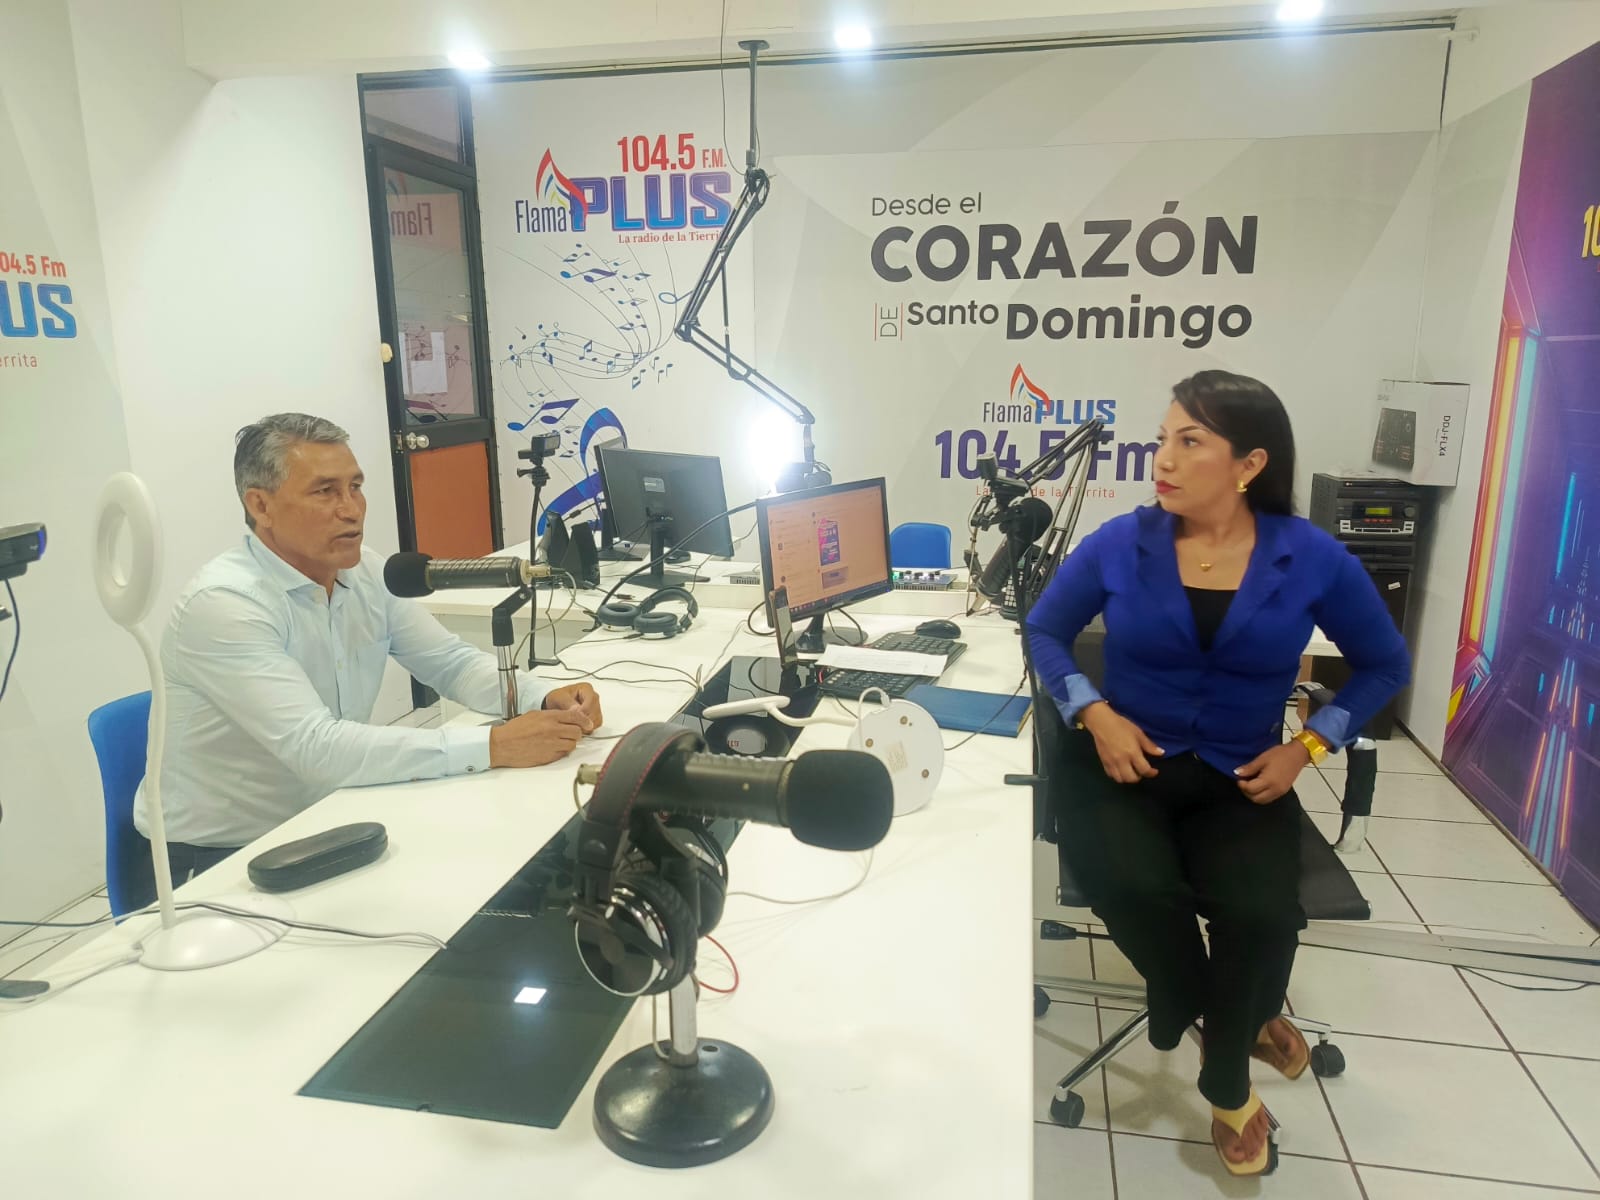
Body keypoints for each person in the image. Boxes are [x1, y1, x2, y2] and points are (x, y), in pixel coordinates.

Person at [1025, 372, 1408, 1177]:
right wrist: (1094, 713)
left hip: (1242, 773)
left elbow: (1383, 664)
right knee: (1134, 888)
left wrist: (1309, 746)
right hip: (1122, 763)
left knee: (1263, 914)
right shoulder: (1121, 543)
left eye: (1189, 441)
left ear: (1249, 463)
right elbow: (1045, 631)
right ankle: (1227, 1055)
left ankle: (1217, 1049)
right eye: (1162, 438)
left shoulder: (1310, 558)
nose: (1161, 458)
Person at [133, 413, 604, 880]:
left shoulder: (364, 571)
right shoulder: (225, 604)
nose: (351, 509)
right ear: (261, 505)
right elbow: (316, 747)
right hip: (216, 856)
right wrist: (494, 745)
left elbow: (450, 663)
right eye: (325, 491)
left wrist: (540, 695)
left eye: (355, 487)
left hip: (329, 813)